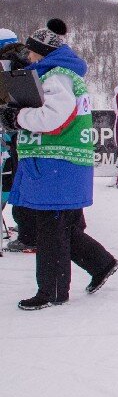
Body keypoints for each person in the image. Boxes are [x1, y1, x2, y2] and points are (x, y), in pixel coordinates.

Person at [0, 19, 118, 309]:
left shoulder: (57, 77)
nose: (27, 57)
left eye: (30, 52)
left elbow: (54, 118)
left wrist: (17, 118)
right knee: (62, 228)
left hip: (57, 163)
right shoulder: (58, 74)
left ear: (40, 53)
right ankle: (101, 264)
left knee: (51, 230)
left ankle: (52, 292)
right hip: (59, 165)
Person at [0, 32, 36, 252]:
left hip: (19, 131)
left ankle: (29, 233)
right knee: (21, 181)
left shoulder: (11, 66)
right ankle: (28, 229)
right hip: (26, 132)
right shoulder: (28, 61)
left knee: (19, 182)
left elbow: (7, 97)